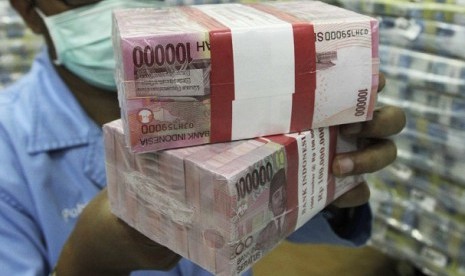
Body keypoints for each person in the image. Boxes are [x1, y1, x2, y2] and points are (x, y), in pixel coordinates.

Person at [0, 0, 406, 275]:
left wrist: (329, 171)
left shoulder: (219, 88)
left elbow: (269, 214)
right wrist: (86, 263)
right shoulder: (10, 149)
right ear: (28, 11)